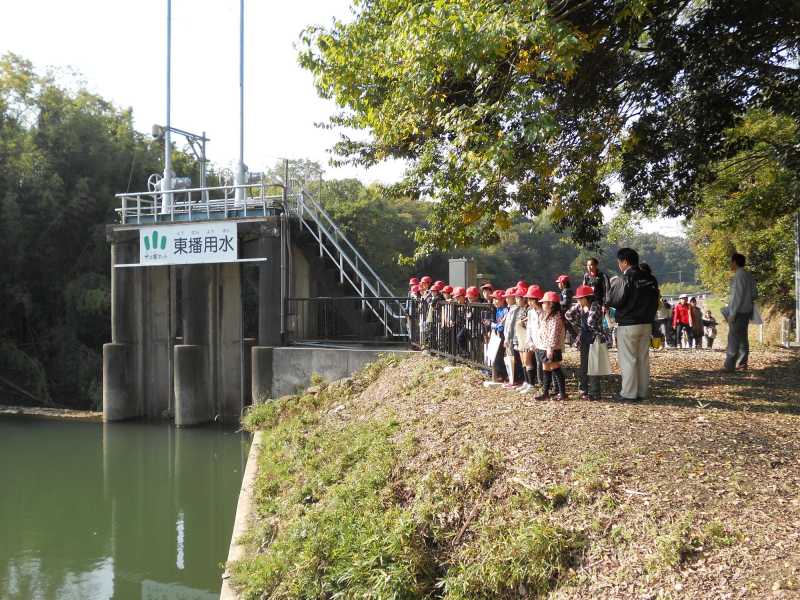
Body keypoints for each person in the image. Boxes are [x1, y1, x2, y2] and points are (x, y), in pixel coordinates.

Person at [606, 248, 660, 401]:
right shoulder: (650, 278)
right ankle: (642, 392)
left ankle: (629, 393)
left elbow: (614, 300)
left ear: (625, 261)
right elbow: (656, 299)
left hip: (629, 324)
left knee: (628, 359)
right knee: (642, 358)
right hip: (646, 323)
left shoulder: (624, 278)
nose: (619, 265)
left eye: (619, 262)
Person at [565, 285, 606, 400]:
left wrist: (580, 325)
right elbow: (568, 315)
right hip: (584, 339)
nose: (577, 300)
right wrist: (578, 325)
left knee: (593, 366)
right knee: (583, 366)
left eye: (580, 298)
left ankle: (595, 393)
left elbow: (591, 323)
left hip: (594, 339)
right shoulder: (580, 306)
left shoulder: (595, 306)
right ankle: (583, 390)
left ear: (587, 298)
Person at [724, 252, 757, 372]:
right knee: (743, 337)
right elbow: (754, 294)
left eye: (731, 262)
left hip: (738, 312)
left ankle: (729, 365)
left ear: (735, 262)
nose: (730, 264)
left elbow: (737, 296)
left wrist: (732, 313)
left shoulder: (738, 276)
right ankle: (742, 364)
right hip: (747, 310)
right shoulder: (748, 275)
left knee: (733, 338)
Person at [534, 291, 568, 400]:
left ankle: (562, 393)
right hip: (544, 346)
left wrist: (550, 348)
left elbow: (554, 333)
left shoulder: (556, 316)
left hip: (551, 347)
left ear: (551, 303)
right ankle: (545, 392)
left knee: (555, 368)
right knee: (546, 368)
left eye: (544, 302)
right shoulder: (547, 315)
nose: (542, 304)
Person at [523, 285, 544, 394]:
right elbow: (529, 328)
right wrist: (529, 341)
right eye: (528, 300)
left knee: (542, 363)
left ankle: (544, 385)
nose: (529, 302)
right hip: (534, 341)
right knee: (537, 362)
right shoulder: (531, 312)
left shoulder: (543, 311)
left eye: (531, 299)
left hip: (543, 342)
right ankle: (540, 384)